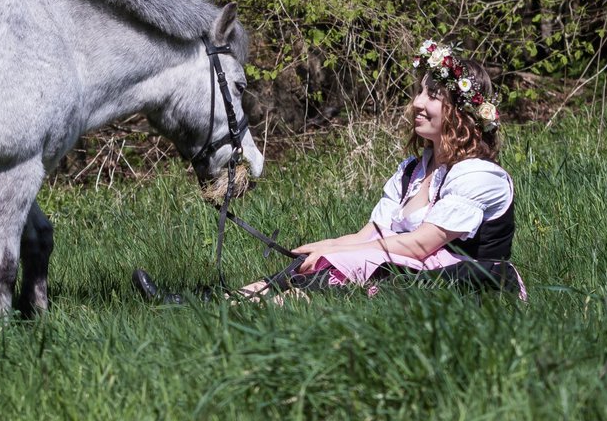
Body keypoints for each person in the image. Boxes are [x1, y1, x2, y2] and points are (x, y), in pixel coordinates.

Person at [133, 39, 524, 303]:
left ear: (460, 110)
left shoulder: (477, 175)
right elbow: (372, 234)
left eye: (432, 96)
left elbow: (421, 246)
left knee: (342, 268)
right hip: (404, 268)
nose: (417, 103)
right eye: (418, 92)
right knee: (314, 265)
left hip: (464, 281)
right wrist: (321, 248)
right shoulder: (413, 171)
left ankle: (226, 308)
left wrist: (335, 255)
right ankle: (214, 302)